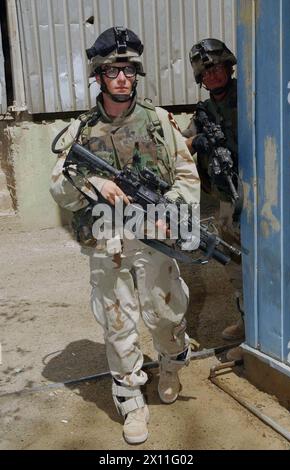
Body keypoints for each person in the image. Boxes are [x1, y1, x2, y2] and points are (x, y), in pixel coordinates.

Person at [50, 27, 200, 444]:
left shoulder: (159, 122)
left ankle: (171, 364)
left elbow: (188, 176)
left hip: (153, 238)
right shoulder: (80, 131)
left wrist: (170, 211)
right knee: (117, 323)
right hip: (108, 240)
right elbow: (59, 188)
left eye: (129, 70)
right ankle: (131, 398)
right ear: (99, 74)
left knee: (167, 313)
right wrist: (93, 183)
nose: (122, 78)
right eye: (113, 70)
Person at [182, 38, 244, 361]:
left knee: (266, 266)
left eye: (218, 67)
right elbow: (180, 147)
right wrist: (197, 141)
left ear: (230, 66)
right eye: (207, 71)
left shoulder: (248, 98)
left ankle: (262, 334)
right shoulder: (204, 112)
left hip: (257, 197)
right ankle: (246, 323)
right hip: (225, 202)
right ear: (200, 79)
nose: (214, 75)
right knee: (236, 266)